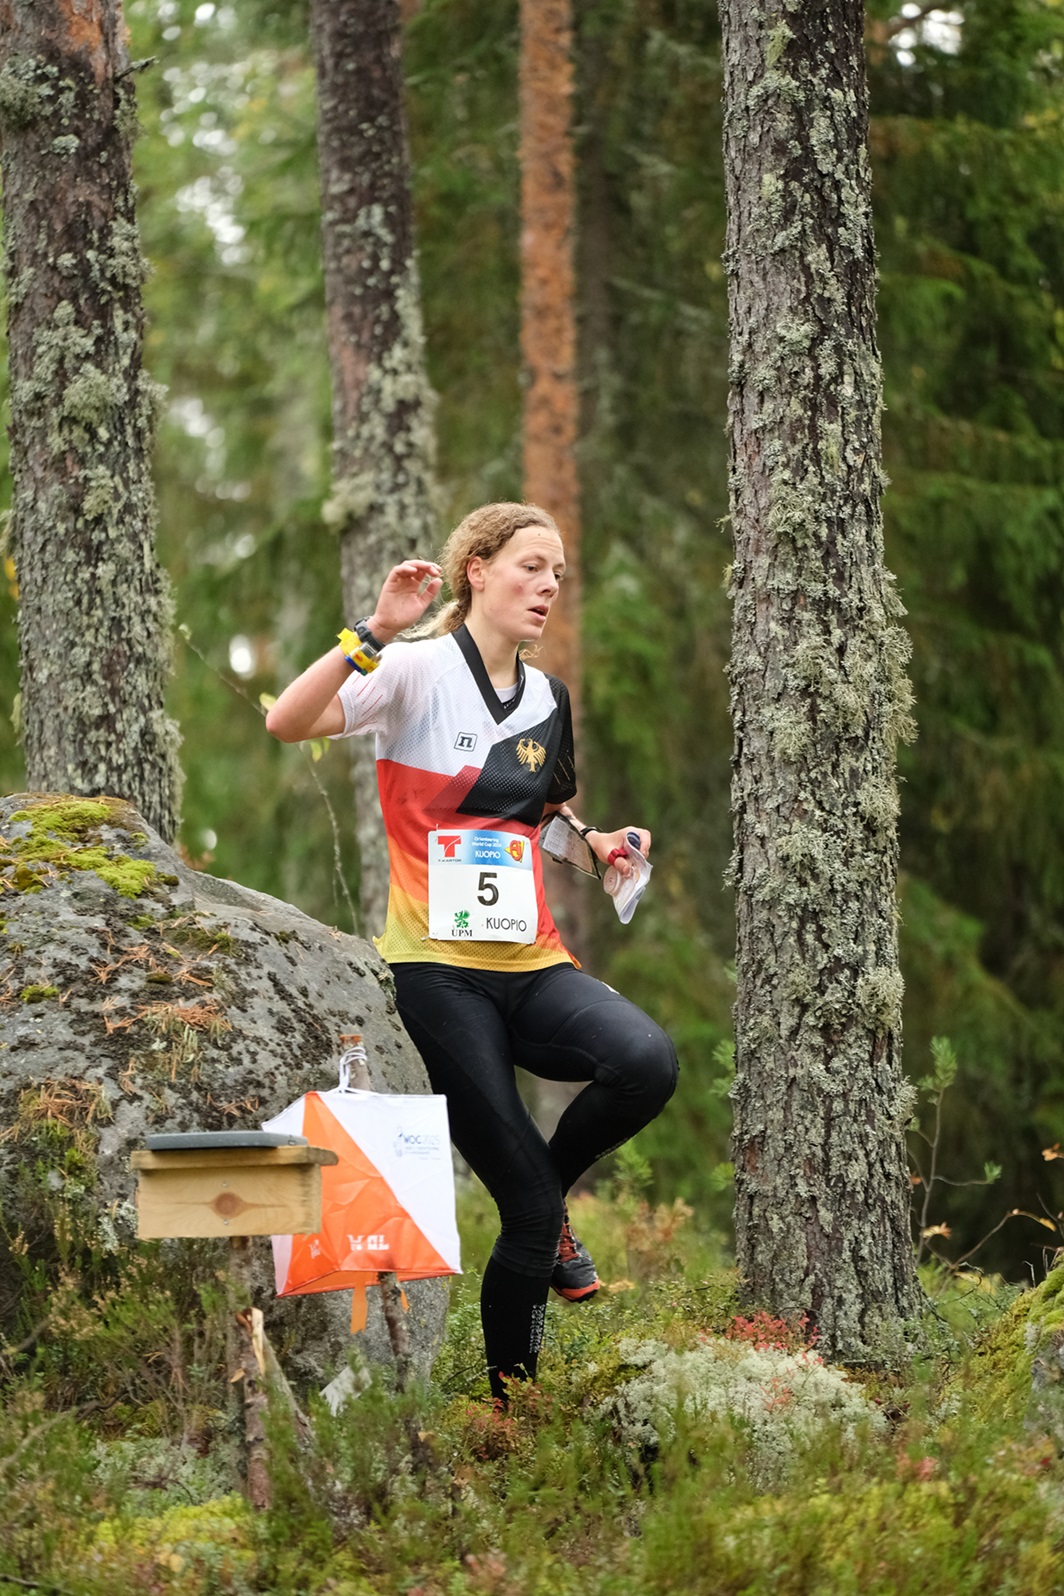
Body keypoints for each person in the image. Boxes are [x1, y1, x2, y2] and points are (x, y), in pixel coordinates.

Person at [266, 502, 678, 1401]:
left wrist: (598, 844)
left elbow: (543, 816)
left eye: (559, 574)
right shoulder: (412, 672)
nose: (548, 587)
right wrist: (371, 630)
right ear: (477, 571)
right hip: (435, 978)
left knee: (646, 1062)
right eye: (531, 566)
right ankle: (511, 1409)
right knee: (525, 1207)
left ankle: (551, 1205)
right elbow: (289, 723)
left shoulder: (549, 698)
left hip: (531, 965)